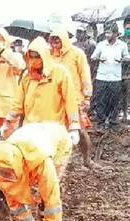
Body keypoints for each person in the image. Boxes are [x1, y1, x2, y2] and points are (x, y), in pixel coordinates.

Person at [0, 122, 72, 221]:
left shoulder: (43, 163)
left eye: (8, 173)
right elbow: (15, 203)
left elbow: (52, 199)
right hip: (28, 140)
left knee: (45, 196)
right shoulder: (0, 163)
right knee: (20, 190)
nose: (5, 176)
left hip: (58, 143)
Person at [0, 37, 81, 146]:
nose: (34, 60)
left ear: (44, 56)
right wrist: (6, 123)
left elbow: (70, 101)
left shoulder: (60, 73)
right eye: (31, 57)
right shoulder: (27, 76)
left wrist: (74, 127)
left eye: (37, 57)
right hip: (30, 129)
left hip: (53, 130)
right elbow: (17, 104)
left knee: (50, 161)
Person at [49, 28, 97, 169]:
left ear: (63, 40)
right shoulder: (49, 55)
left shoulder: (77, 54)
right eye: (53, 40)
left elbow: (85, 76)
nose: (55, 44)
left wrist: (87, 97)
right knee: (56, 131)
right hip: (55, 100)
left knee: (80, 130)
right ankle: (58, 161)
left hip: (75, 99)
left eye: (58, 40)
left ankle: (87, 159)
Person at [91, 23, 130, 132]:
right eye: (106, 32)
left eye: (109, 33)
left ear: (116, 33)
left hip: (115, 78)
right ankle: (101, 123)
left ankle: (114, 123)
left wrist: (121, 60)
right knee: (101, 101)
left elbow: (128, 58)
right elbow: (93, 57)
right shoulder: (101, 45)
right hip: (102, 77)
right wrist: (99, 59)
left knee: (114, 102)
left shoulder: (122, 45)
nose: (107, 35)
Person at [120, 17, 130, 124]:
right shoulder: (120, 41)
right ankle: (124, 114)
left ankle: (127, 114)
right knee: (122, 95)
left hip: (129, 72)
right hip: (120, 72)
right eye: (127, 28)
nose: (128, 30)